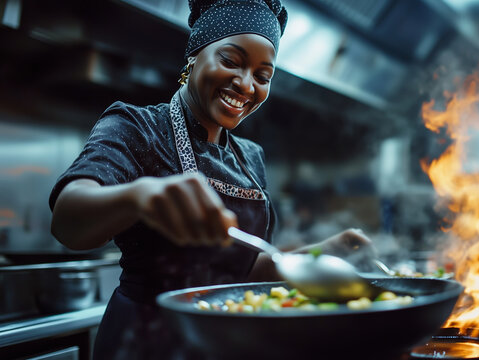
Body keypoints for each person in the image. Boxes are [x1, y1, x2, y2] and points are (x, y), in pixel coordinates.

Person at [48, 0, 374, 358]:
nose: (246, 84)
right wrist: (138, 196)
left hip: (224, 340)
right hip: (145, 341)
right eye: (231, 61)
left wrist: (323, 255)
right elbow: (68, 219)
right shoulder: (136, 127)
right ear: (193, 58)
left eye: (263, 76)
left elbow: (247, 270)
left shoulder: (250, 157)